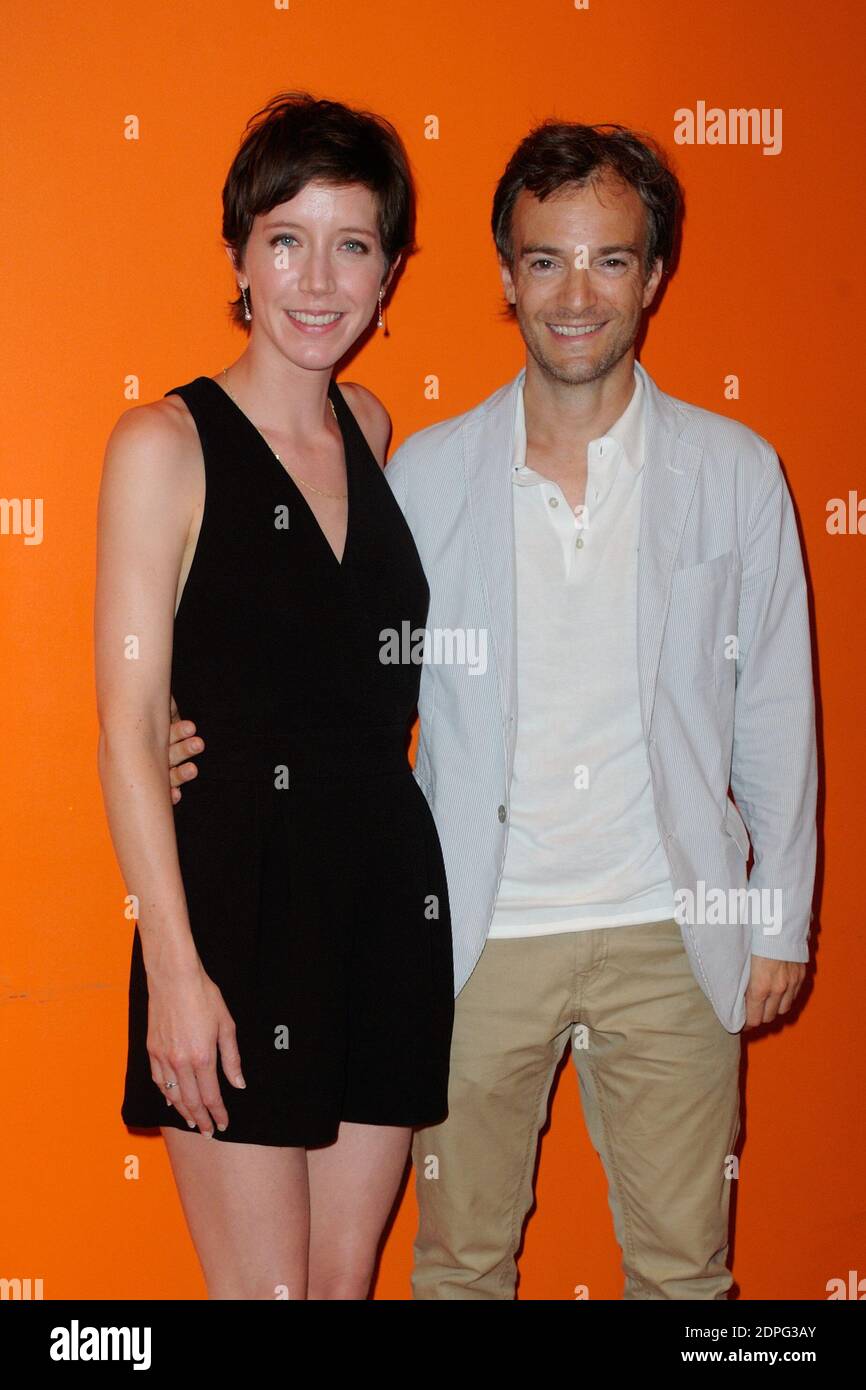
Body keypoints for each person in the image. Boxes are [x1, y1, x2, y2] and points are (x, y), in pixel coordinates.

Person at [169, 120, 817, 1299]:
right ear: (504, 275)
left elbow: (774, 701)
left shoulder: (733, 470)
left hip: (670, 930)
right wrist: (195, 735)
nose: (575, 295)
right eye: (542, 260)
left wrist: (774, 919)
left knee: (687, 1275)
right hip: (466, 934)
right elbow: (334, 663)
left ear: (654, 275)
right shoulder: (423, 473)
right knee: (457, 1267)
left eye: (609, 259)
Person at [96, 90, 454, 1301]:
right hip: (236, 909)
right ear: (239, 254)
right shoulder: (162, 444)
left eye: (352, 243)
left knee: (342, 1288)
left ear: (388, 271)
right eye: (286, 239)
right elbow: (132, 733)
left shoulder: (371, 421)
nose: (318, 276)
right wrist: (178, 972)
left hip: (383, 896)